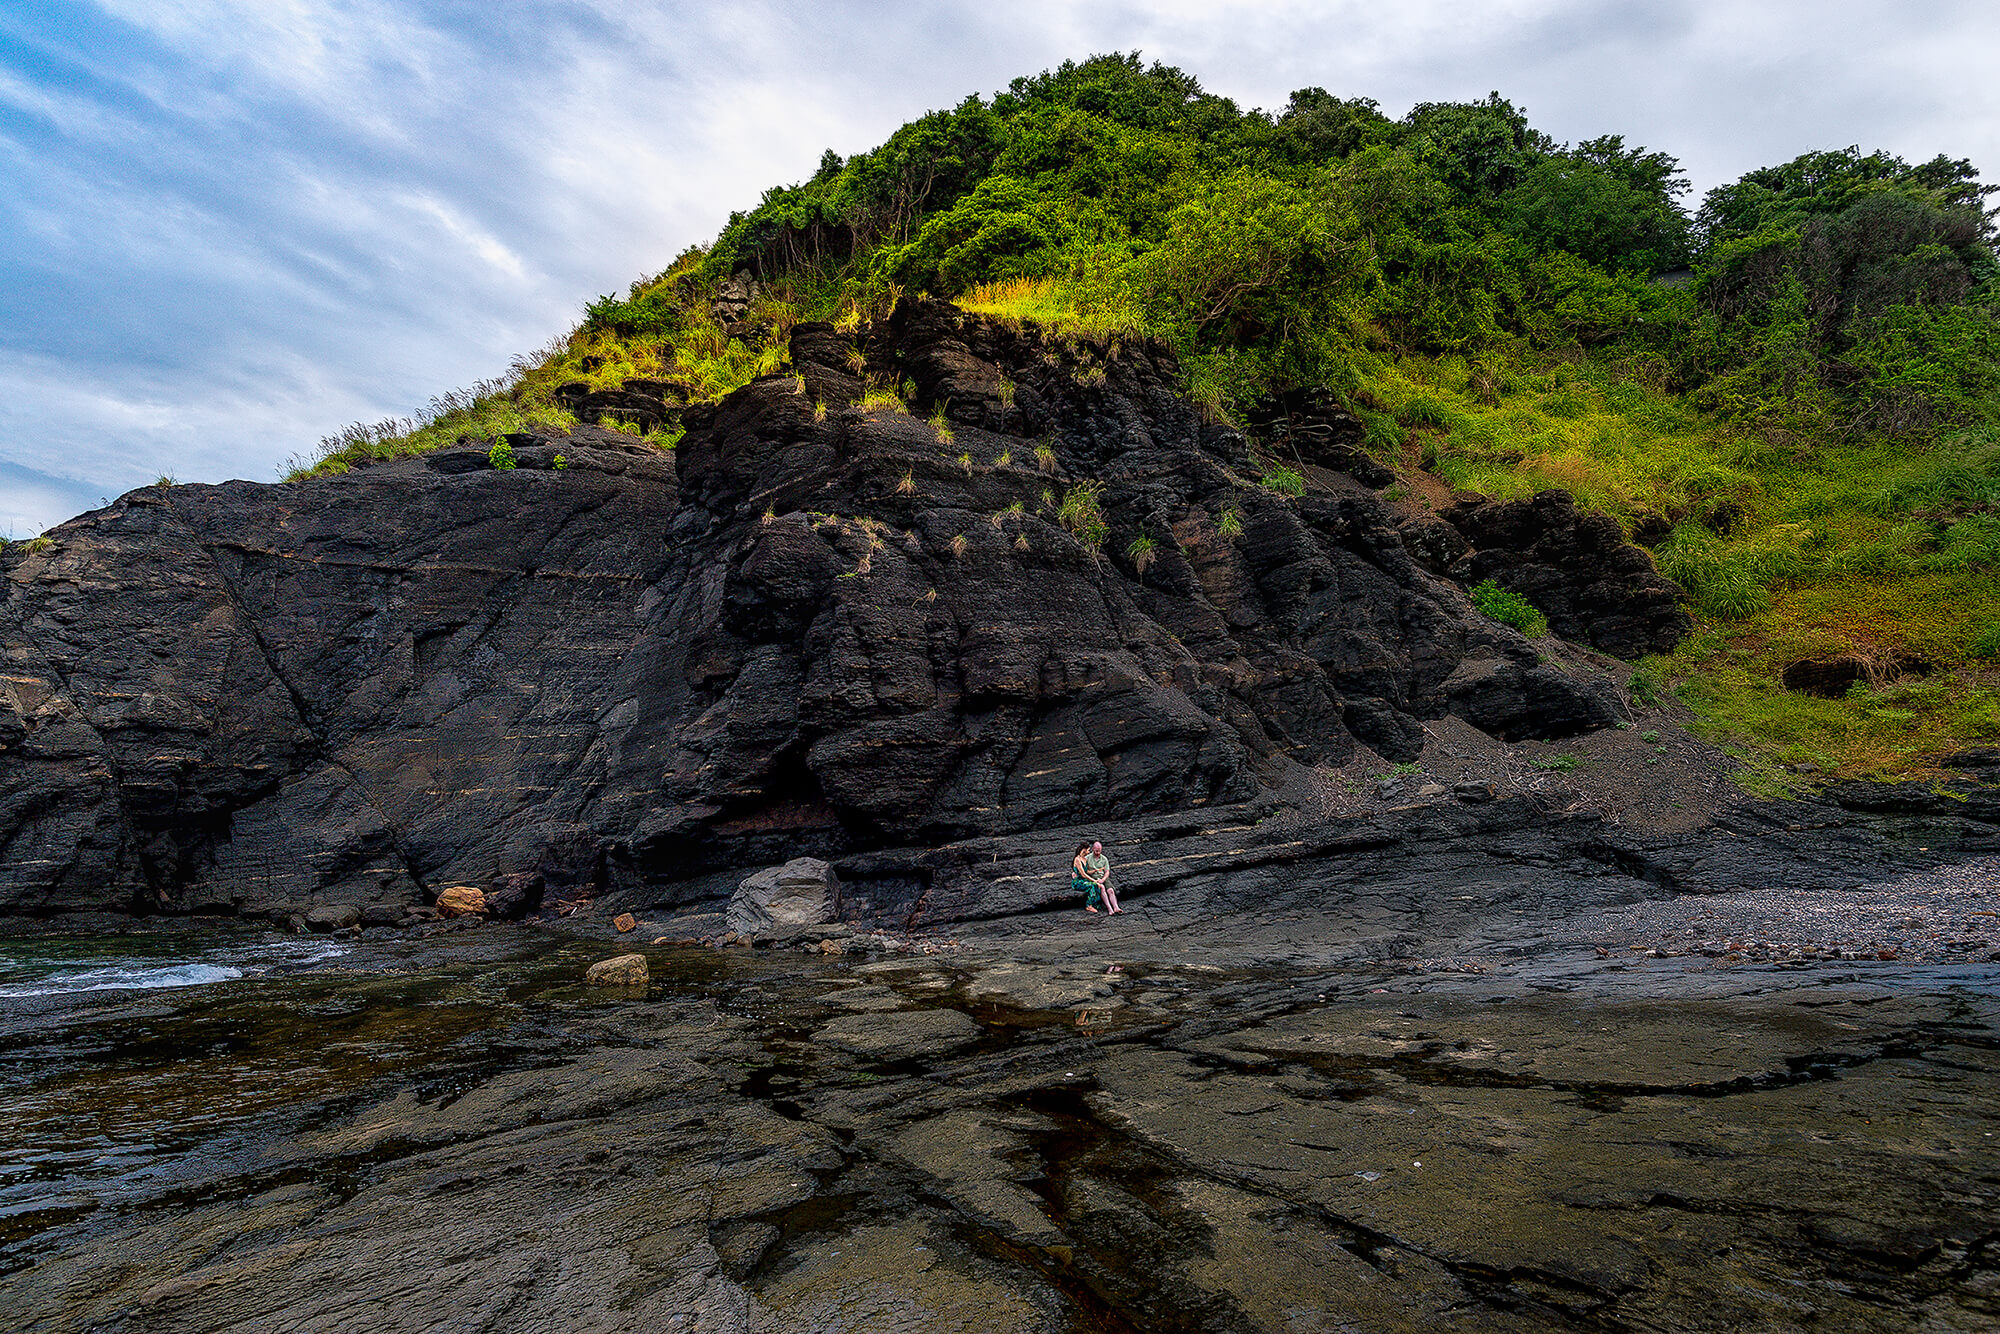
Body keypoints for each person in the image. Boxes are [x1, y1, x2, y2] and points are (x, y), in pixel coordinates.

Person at [1083, 840, 1121, 914]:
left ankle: (1116, 907)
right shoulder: (1087, 858)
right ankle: (1109, 908)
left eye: (1099, 851)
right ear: (1093, 849)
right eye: (1096, 851)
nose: (1098, 852)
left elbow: (1107, 871)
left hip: (1103, 877)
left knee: (1110, 890)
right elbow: (1080, 866)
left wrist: (1103, 879)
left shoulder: (1104, 859)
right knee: (1102, 888)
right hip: (1093, 878)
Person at [1070, 842, 1102, 912]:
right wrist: (1094, 880)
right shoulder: (1077, 859)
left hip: (1084, 880)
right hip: (1078, 881)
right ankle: (1089, 905)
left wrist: (1095, 870)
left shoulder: (1085, 859)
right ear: (1084, 850)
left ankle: (1095, 904)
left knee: (1097, 886)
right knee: (1092, 885)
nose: (1089, 852)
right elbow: (1083, 874)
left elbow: (1087, 871)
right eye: (1088, 850)